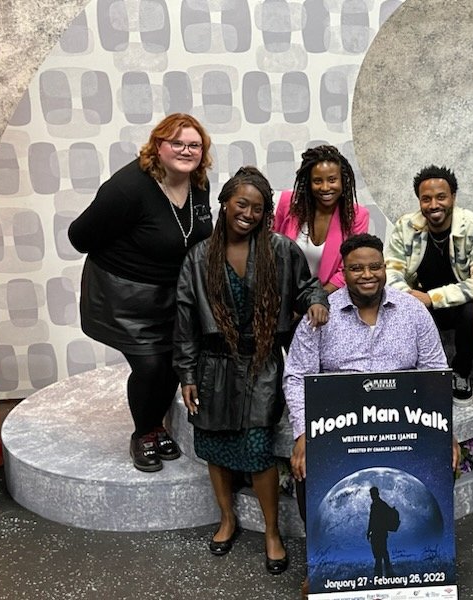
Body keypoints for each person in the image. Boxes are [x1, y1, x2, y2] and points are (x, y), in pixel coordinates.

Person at [283, 233, 460, 598]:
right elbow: (297, 374)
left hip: (404, 420)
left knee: (444, 459)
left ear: (385, 268)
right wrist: (303, 434)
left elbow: (434, 370)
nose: (367, 274)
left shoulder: (413, 312)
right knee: (307, 465)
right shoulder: (321, 315)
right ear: (343, 272)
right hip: (339, 423)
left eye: (375, 266)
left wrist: (447, 432)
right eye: (357, 268)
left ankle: (421, 566)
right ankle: (321, 566)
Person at [172, 167, 329, 572]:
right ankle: (227, 519)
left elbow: (306, 285)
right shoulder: (199, 256)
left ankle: (272, 532)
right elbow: (186, 321)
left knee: (258, 450)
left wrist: (317, 301)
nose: (248, 213)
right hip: (213, 364)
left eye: (258, 208)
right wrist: (187, 374)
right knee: (214, 444)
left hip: (261, 362)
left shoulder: (279, 249)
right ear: (225, 204)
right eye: (241, 204)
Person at [68, 113, 213, 473]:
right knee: (149, 366)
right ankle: (143, 432)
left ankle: (156, 424)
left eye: (194, 145)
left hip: (173, 294)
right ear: (158, 146)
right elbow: (80, 236)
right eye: (177, 143)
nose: (186, 150)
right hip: (124, 295)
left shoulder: (199, 183)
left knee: (173, 364)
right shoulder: (128, 188)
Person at [385, 165, 473, 405]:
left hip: (460, 305)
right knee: (392, 304)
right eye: (426, 199)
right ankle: (416, 375)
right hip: (418, 301)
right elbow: (390, 270)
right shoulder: (406, 226)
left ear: (453, 197)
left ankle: (461, 371)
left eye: (441, 197)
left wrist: (433, 298)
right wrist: (408, 295)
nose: (433, 205)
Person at [273, 145, 369, 293]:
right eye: (317, 181)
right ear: (309, 183)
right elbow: (272, 248)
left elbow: (348, 268)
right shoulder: (288, 203)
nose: (325, 187)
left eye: (332, 180)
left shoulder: (357, 216)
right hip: (283, 292)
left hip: (328, 296)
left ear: (343, 181)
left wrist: (316, 299)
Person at [367, 487, 393, 578]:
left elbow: (372, 519)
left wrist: (369, 531)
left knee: (379, 554)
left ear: (376, 494)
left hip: (378, 533)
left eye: (372, 494)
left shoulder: (376, 505)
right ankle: (388, 573)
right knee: (383, 553)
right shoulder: (381, 504)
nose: (371, 496)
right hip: (380, 533)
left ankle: (379, 575)